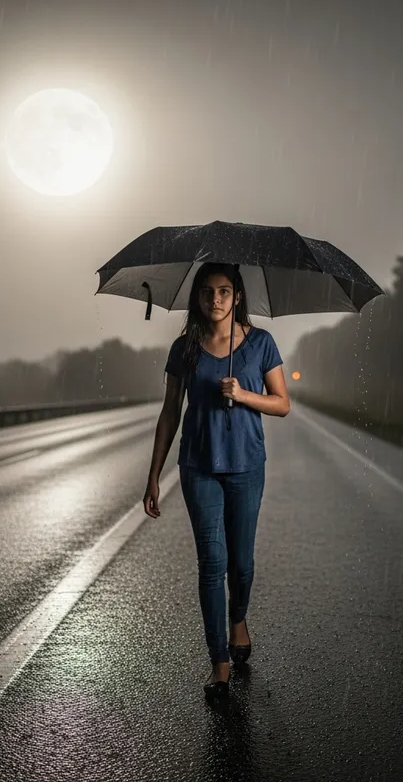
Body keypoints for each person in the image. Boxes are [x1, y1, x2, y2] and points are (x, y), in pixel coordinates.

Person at [142, 262, 290, 699]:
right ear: (197, 298)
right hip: (198, 466)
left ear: (237, 297)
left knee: (241, 564)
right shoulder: (184, 347)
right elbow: (170, 413)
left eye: (224, 292)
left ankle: (238, 617)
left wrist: (241, 394)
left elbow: (282, 404)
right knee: (212, 564)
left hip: (247, 466)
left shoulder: (261, 343)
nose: (215, 300)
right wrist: (153, 475)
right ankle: (219, 662)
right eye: (207, 292)